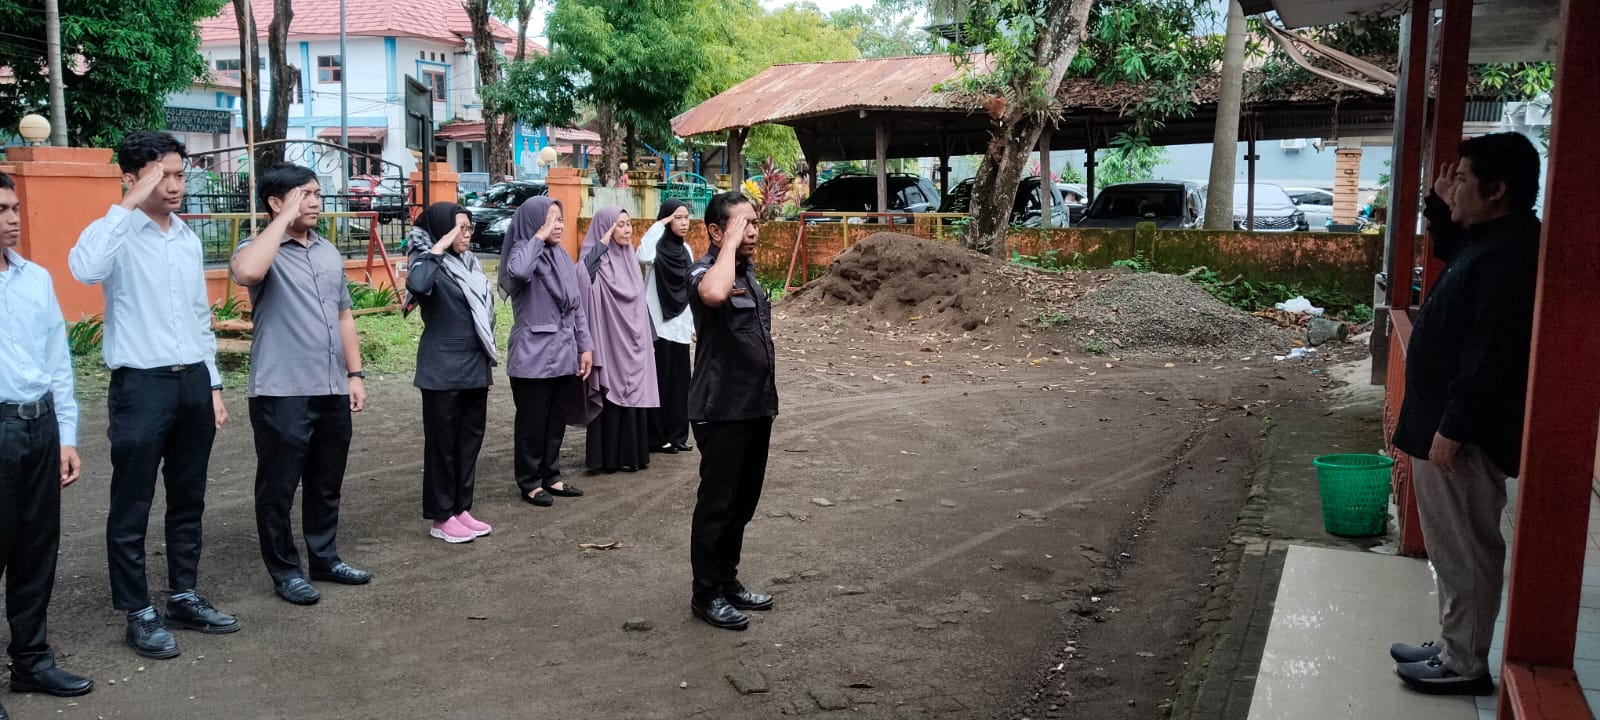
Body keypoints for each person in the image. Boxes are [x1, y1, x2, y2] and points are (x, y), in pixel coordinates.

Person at [69, 131, 239, 659]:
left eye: (179, 174)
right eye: (160, 175)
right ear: (132, 176)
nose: (173, 185)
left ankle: (183, 595)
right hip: (140, 386)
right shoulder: (114, 233)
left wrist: (211, 382)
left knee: (188, 497)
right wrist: (128, 203)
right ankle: (137, 610)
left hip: (191, 382)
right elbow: (84, 269)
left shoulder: (186, 238)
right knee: (132, 502)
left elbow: (197, 317)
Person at [1388, 132, 1543, 696]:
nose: (1453, 190)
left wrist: (1453, 428)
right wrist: (1439, 199)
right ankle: (1455, 642)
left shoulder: (1511, 252)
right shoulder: (1491, 238)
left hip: (1461, 433)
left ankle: (1464, 663)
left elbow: (1491, 353)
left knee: (1467, 547)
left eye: (1464, 180)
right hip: (1440, 421)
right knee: (1451, 547)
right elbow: (1449, 244)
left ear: (1498, 190)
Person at [230, 163, 372, 606]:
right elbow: (247, 274)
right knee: (278, 485)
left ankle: (324, 557)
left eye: (316, 194)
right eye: (304, 194)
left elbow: (343, 315)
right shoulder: (258, 248)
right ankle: (285, 571)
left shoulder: (327, 251)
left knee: (326, 480)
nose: (315, 202)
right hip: (281, 389)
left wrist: (355, 374)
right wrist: (279, 222)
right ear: (276, 202)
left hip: (330, 386)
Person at [0, 171, 94, 708]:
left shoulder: (34, 278)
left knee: (36, 551)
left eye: (15, 208)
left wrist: (66, 435)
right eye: (2, 210)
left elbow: (58, 363)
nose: (13, 218)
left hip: (38, 428)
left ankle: (31, 662)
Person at [685, 192, 780, 631]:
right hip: (720, 409)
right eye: (743, 225)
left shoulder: (750, 274)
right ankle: (705, 594)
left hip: (755, 407)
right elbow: (716, 294)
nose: (753, 231)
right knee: (717, 505)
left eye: (755, 223)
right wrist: (728, 247)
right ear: (717, 231)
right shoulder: (705, 271)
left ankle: (727, 580)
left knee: (743, 503)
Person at [405, 203, 496, 543]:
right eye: (459, 227)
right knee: (442, 446)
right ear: (441, 230)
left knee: (468, 444)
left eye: (469, 227)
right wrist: (438, 248)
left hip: (474, 366)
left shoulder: (470, 264)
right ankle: (442, 517)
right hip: (441, 370)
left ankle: (461, 508)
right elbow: (416, 285)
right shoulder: (428, 262)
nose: (467, 233)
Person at [499, 197, 593, 507]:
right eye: (551, 219)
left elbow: (576, 306)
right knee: (532, 422)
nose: (559, 225)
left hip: (564, 352)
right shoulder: (522, 253)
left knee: (555, 420)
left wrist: (585, 347)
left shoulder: (562, 257)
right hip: (533, 355)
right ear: (533, 222)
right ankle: (529, 481)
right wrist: (538, 236)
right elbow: (519, 272)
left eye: (560, 218)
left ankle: (551, 475)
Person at [579, 206, 659, 473]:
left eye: (628, 224)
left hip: (634, 344)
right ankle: (606, 459)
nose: (626, 230)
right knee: (611, 395)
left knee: (634, 395)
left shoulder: (629, 261)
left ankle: (631, 455)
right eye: (619, 225)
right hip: (609, 342)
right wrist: (602, 243)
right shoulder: (596, 262)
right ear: (606, 228)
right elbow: (582, 278)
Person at [638, 199, 694, 454]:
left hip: (680, 324)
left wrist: (693, 325)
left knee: (681, 383)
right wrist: (659, 225)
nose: (683, 222)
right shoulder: (656, 248)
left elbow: (689, 288)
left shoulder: (687, 251)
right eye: (677, 217)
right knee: (660, 381)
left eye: (685, 217)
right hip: (658, 325)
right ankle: (658, 438)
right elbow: (643, 254)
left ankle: (678, 435)